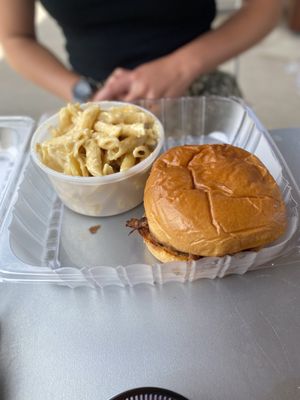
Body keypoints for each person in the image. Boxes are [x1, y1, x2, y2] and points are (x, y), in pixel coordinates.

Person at [0, 0, 283, 103]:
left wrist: (180, 67)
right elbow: (15, 37)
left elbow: (264, 8)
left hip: (200, 81)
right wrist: (82, 93)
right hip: (97, 96)